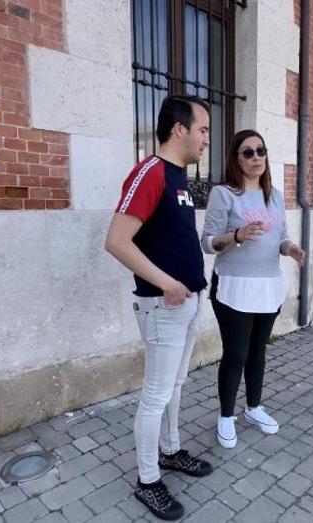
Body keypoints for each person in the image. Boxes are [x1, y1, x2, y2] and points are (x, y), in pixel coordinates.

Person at [104, 95, 214, 521]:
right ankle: (147, 480)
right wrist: (167, 283)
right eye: (203, 129)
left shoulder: (179, 177)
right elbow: (116, 241)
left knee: (176, 386)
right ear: (179, 129)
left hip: (187, 302)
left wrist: (185, 287)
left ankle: (170, 452)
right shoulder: (150, 172)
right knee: (154, 396)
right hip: (162, 306)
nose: (207, 139)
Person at [201, 129, 305, 449]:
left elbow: (282, 236)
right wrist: (238, 235)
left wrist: (290, 249)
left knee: (259, 350)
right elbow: (208, 242)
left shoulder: (273, 194)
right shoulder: (224, 194)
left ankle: (254, 408)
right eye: (248, 152)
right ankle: (226, 416)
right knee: (236, 353)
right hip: (234, 285)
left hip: (267, 285)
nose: (256, 157)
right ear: (236, 158)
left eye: (261, 150)